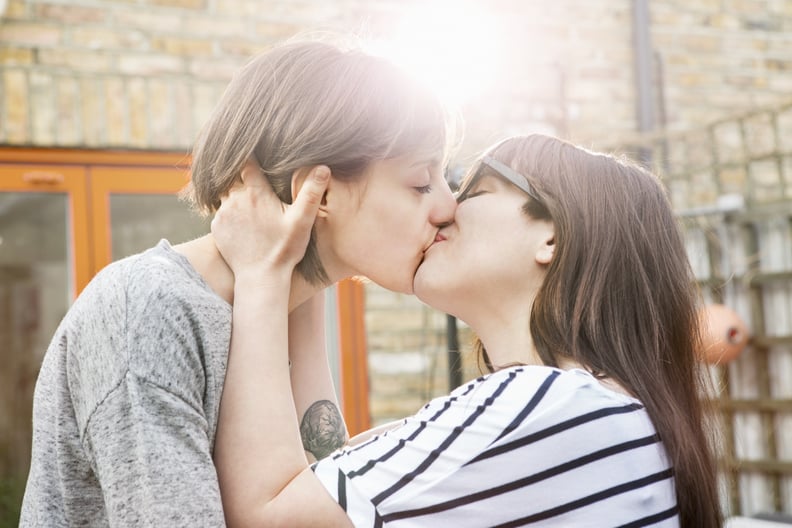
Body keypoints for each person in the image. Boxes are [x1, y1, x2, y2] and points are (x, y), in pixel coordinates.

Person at [20, 37, 457, 526]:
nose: (447, 207)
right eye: (421, 183)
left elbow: (318, 477)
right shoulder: (150, 309)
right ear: (320, 191)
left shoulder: (291, 303)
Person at [210, 134, 723, 527]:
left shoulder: (542, 407)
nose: (444, 208)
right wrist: (311, 266)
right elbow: (325, 475)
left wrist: (260, 274)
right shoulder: (587, 411)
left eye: (473, 188)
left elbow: (270, 515)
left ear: (551, 234)